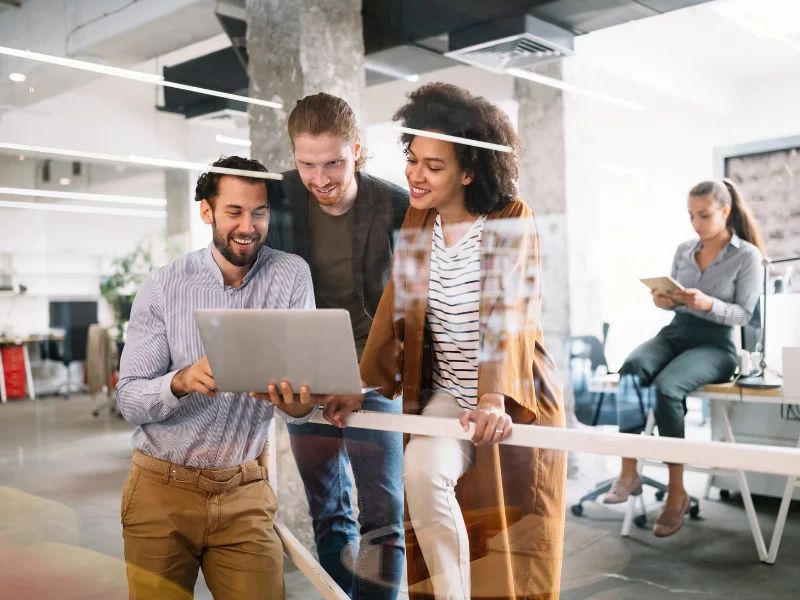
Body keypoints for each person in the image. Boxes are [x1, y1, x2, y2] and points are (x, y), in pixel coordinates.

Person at [326, 83, 567, 600]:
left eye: (433, 166)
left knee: (519, 535)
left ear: (469, 171)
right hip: (449, 391)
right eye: (413, 160)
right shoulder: (419, 220)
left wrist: (493, 395)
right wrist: (358, 386)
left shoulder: (509, 216)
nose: (415, 174)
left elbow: (510, 311)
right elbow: (397, 307)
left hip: (513, 393)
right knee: (420, 472)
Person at [117, 156, 329, 599]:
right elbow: (130, 400)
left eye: (259, 212)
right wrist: (181, 380)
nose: (248, 226)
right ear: (207, 211)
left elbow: (299, 409)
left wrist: (296, 398)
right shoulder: (164, 286)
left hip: (244, 490)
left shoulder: (291, 276)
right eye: (234, 211)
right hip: (162, 489)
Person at [264, 92, 409, 599]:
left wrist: (375, 376)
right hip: (307, 373)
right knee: (327, 510)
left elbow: (414, 304)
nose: (321, 178)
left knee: (382, 516)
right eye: (307, 164)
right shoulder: (278, 198)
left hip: (373, 373)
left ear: (357, 150)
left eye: (334, 162)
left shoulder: (395, 203)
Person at [603, 179, 765, 538]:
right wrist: (666, 300)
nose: (696, 223)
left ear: (725, 211)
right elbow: (675, 298)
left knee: (666, 388)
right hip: (677, 333)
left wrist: (709, 304)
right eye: (691, 216)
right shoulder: (683, 250)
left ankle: (677, 492)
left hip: (717, 345)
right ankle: (629, 472)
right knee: (631, 368)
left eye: (704, 215)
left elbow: (745, 315)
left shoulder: (746, 256)